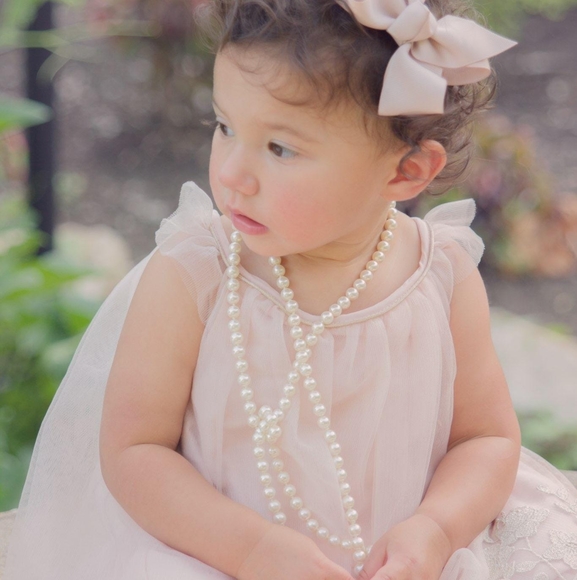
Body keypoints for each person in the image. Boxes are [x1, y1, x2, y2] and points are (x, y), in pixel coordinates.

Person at [4, 0, 577, 578]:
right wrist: (248, 549)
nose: (232, 173)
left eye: (280, 148)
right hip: (219, 556)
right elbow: (133, 451)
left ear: (406, 171)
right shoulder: (199, 272)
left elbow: (485, 439)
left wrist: (438, 527)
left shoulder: (439, 276)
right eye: (225, 127)